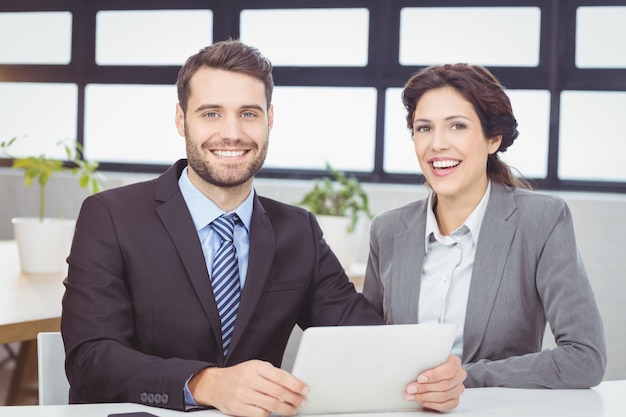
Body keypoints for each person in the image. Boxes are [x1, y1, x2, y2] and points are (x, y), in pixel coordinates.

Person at [60, 40, 466, 416]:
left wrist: (430, 374)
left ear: (269, 119)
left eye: (249, 114)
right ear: (182, 120)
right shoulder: (111, 217)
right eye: (211, 113)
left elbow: (363, 337)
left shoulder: (298, 230)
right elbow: (91, 360)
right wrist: (205, 383)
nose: (232, 133)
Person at [362, 63, 607, 389]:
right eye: (423, 128)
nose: (437, 144)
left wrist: (465, 378)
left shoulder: (542, 221)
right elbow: (365, 348)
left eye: (457, 126)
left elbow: (584, 358)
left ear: (493, 139)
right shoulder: (388, 231)